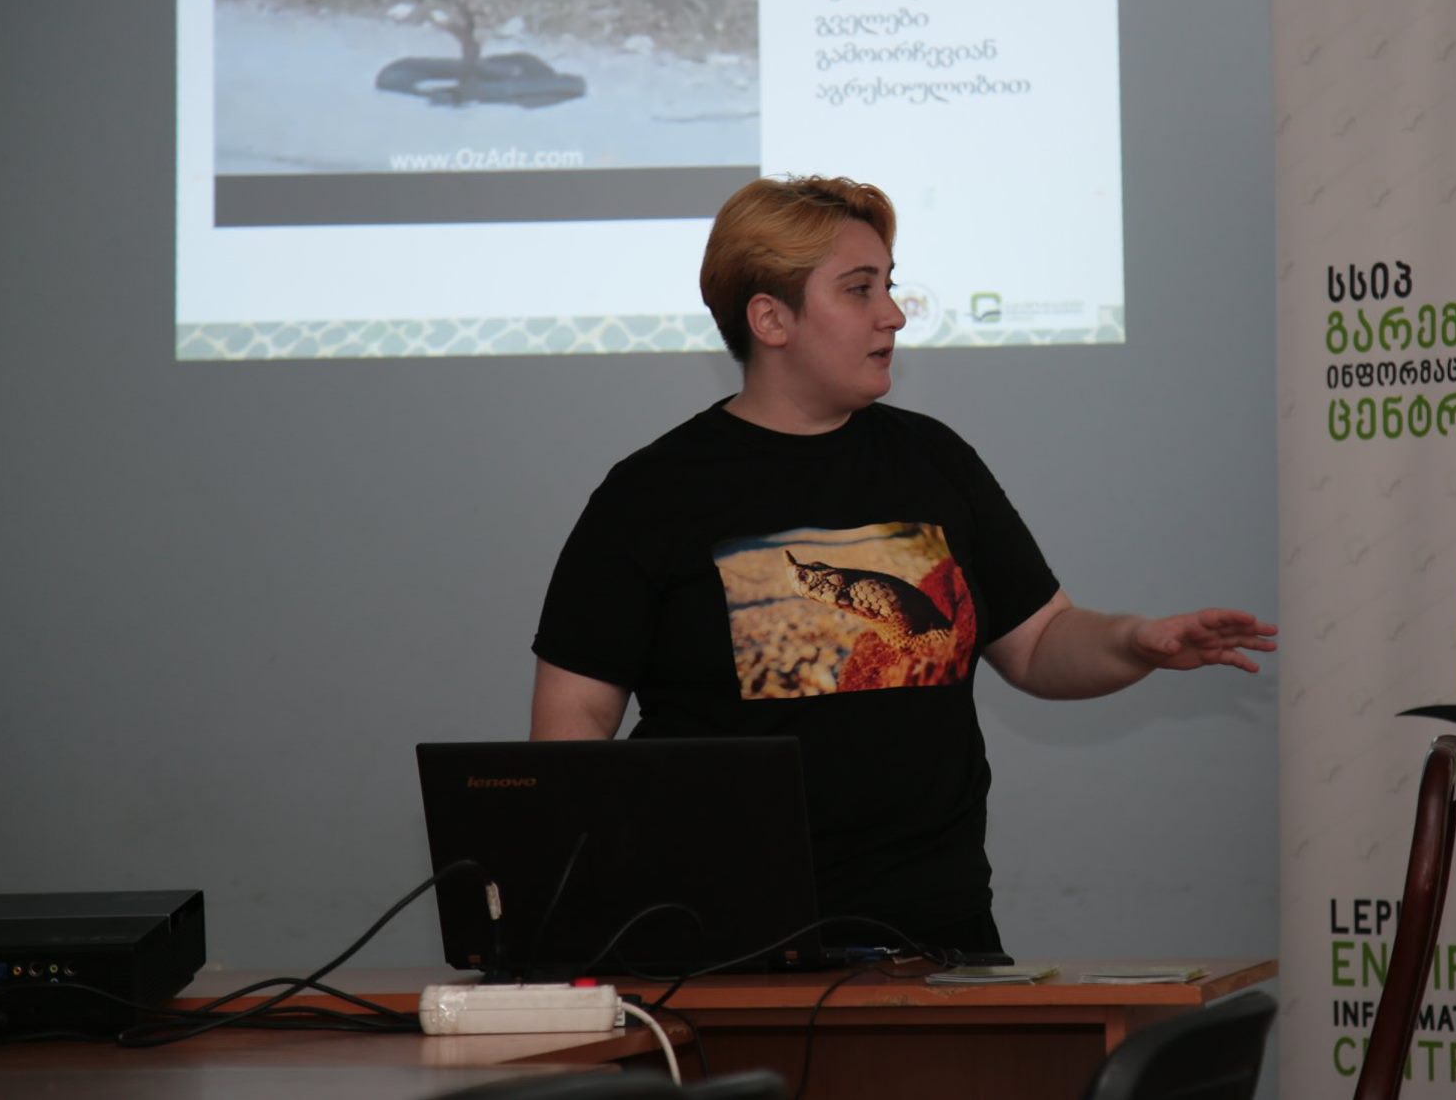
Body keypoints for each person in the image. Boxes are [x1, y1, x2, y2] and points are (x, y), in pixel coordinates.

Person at [528, 174, 1274, 955]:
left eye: (888, 283)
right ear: (771, 318)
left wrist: (1134, 641)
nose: (893, 313)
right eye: (859, 289)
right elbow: (572, 721)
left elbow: (1039, 641)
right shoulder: (651, 493)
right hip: (720, 947)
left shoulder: (933, 460)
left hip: (934, 936)